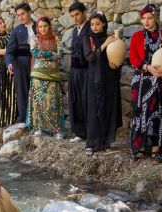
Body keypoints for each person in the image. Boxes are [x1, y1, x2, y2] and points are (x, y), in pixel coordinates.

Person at [129, 4, 162, 164]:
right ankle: (139, 147)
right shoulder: (137, 36)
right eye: (143, 18)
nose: (146, 21)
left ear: (156, 17)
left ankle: (156, 149)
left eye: (149, 18)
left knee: (158, 112)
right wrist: (148, 68)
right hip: (142, 80)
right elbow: (133, 59)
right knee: (140, 112)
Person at [82, 12, 123, 156]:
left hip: (109, 77)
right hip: (94, 79)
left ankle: (105, 142)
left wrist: (116, 65)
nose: (94, 27)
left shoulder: (111, 38)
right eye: (92, 24)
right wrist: (105, 44)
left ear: (104, 24)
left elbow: (117, 58)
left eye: (97, 24)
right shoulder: (88, 39)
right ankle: (92, 144)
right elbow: (90, 57)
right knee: (94, 108)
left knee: (107, 107)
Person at [26, 16, 65, 139]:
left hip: (53, 75)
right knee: (39, 101)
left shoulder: (56, 39)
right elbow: (35, 53)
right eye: (40, 27)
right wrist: (52, 54)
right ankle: (40, 128)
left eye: (45, 26)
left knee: (54, 102)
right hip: (38, 74)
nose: (43, 29)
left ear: (49, 26)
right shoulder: (34, 39)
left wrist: (46, 55)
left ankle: (57, 129)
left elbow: (61, 54)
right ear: (37, 27)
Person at [5, 3, 36, 124]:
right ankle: (23, 119)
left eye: (22, 14)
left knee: (38, 89)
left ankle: (38, 119)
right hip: (20, 63)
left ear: (29, 12)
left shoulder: (39, 26)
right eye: (18, 15)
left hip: (38, 61)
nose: (20, 17)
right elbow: (9, 51)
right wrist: (9, 63)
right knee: (22, 91)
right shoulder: (16, 30)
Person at [68, 2, 91, 143]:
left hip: (86, 71)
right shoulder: (75, 30)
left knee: (86, 100)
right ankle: (79, 132)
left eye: (77, 14)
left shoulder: (90, 28)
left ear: (84, 13)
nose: (75, 18)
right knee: (75, 100)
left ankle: (89, 132)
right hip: (75, 70)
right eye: (72, 16)